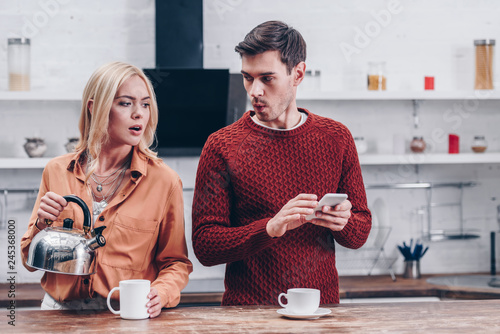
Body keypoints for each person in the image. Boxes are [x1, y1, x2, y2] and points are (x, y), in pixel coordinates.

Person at [191, 21, 371, 306]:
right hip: (247, 317)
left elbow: (360, 231)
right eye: (248, 78)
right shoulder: (221, 146)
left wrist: (344, 223)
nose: (255, 91)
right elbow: (205, 246)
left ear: (297, 74)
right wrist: (270, 228)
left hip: (320, 315)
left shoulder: (337, 138)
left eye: (267, 78)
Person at [21, 62, 192, 317]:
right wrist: (42, 224)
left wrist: (162, 292)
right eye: (126, 103)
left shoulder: (164, 181)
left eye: (145, 104)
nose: (139, 114)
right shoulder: (56, 171)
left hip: (124, 315)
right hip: (57, 315)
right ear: (95, 108)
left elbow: (175, 263)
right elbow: (27, 260)